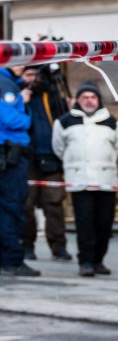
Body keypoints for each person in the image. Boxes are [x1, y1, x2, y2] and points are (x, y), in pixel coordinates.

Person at [51, 81, 118, 277]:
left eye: (92, 97)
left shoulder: (112, 122)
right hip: (80, 181)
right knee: (84, 223)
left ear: (99, 100)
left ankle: (99, 261)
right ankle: (86, 261)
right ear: (77, 100)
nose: (89, 101)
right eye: (85, 97)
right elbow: (58, 147)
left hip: (105, 181)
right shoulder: (64, 121)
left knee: (104, 223)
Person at [20, 66, 70, 263]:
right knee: (26, 205)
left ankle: (59, 247)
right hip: (27, 160)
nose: (33, 79)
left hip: (52, 159)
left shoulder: (52, 96)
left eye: (36, 74)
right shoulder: (17, 96)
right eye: (28, 75)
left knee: (54, 205)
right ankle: (26, 245)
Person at [0, 65, 33, 277]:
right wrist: (26, 113)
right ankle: (11, 260)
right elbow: (10, 119)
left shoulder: (10, 82)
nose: (22, 63)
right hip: (10, 154)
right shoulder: (5, 83)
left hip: (9, 154)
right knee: (11, 209)